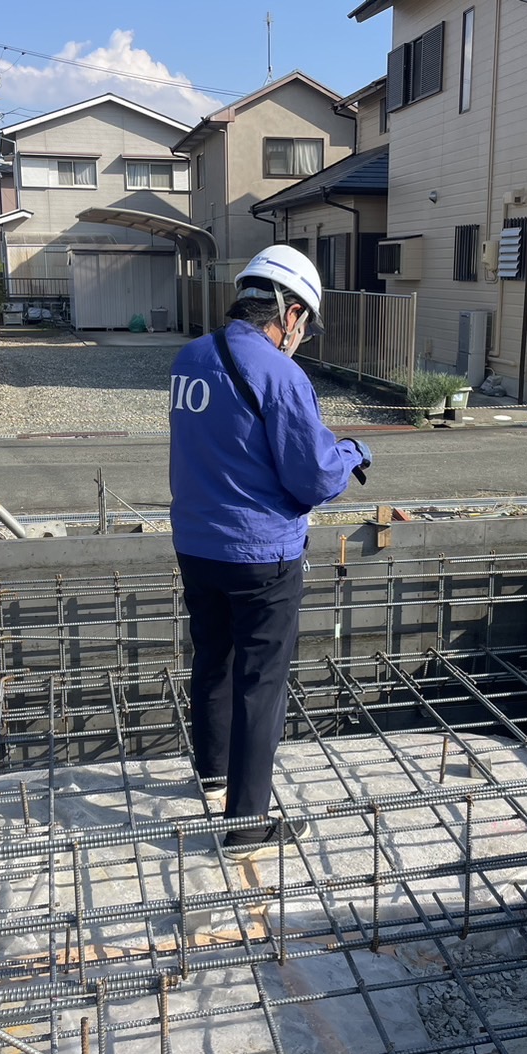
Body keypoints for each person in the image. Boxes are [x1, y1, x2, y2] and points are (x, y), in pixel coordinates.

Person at [168, 245, 371, 859]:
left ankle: (211, 774)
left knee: (213, 658)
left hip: (196, 545)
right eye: (302, 321)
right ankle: (247, 824)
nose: (301, 335)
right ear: (287, 311)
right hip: (261, 555)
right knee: (261, 682)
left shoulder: (189, 359)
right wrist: (353, 452)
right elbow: (312, 478)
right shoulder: (282, 375)